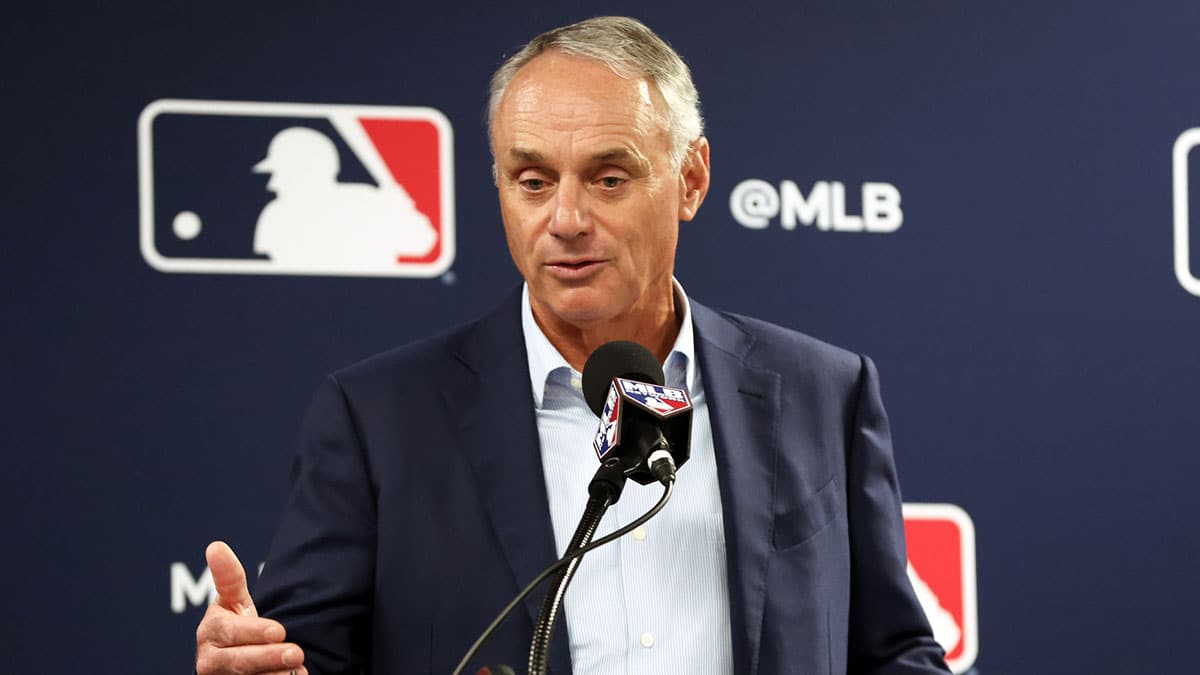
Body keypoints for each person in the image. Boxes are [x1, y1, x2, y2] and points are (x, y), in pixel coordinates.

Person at [195, 16, 950, 675]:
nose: (564, 219)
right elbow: (304, 659)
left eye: (608, 178)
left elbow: (892, 651)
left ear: (691, 179)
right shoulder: (377, 419)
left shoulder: (824, 393)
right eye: (532, 180)